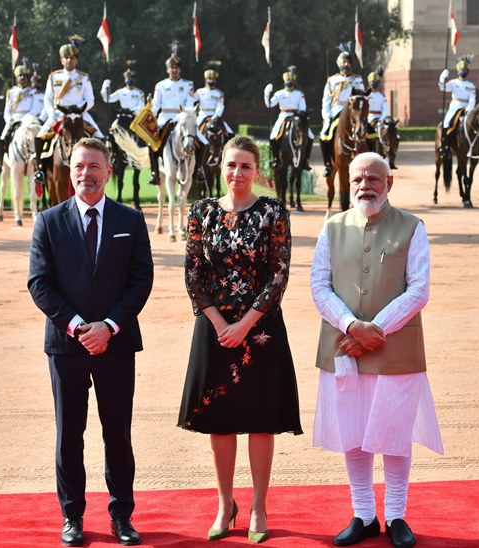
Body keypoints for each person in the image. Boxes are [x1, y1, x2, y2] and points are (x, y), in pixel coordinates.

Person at [310, 152, 443, 548]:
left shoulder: (412, 227)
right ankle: (364, 514)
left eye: (373, 178)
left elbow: (418, 289)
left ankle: (397, 515)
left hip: (396, 349)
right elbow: (319, 286)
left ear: (389, 183)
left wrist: (376, 330)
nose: (365, 185)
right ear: (348, 183)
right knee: (353, 432)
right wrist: (351, 326)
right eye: (357, 179)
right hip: (344, 345)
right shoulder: (332, 228)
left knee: (395, 433)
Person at [28, 137, 154, 547]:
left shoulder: (131, 220)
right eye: (79, 166)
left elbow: (141, 281)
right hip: (67, 346)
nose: (86, 173)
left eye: (94, 166)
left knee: (118, 433)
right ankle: (72, 516)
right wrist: (81, 327)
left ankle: (122, 516)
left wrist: (110, 327)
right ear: (71, 172)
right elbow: (39, 283)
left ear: (108, 172)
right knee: (69, 435)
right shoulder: (48, 221)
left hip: (116, 344)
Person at [178, 135, 302, 543]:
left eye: (246, 166)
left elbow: (279, 275)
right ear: (221, 168)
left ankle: (259, 507)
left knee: (261, 420)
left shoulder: (272, 212)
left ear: (257, 170)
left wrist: (245, 325)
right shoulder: (202, 211)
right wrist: (220, 324)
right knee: (221, 420)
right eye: (231, 165)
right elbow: (193, 274)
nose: (238, 173)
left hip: (260, 328)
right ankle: (224, 504)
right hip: (214, 329)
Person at [34, 35, 104, 185]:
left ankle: (103, 168)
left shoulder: (83, 78)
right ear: (61, 60)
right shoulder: (54, 77)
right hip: (59, 114)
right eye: (66, 58)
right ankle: (40, 170)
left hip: (80, 114)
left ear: (76, 60)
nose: (69, 60)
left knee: (100, 135)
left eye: (72, 58)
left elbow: (90, 99)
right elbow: (48, 99)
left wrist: (79, 109)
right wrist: (52, 114)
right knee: (40, 136)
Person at [147, 47, 200, 186]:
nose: (174, 70)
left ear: (180, 69)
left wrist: (182, 116)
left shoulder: (188, 85)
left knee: (201, 140)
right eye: (172, 68)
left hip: (183, 117)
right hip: (165, 118)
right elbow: (156, 105)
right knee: (152, 143)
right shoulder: (160, 85)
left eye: (176, 68)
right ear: (167, 70)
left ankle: (198, 171)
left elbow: (190, 103)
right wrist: (151, 114)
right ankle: (154, 173)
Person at [320, 44, 365, 176]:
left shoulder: (358, 79)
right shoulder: (332, 80)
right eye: (344, 62)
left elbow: (362, 96)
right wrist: (326, 116)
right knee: (324, 135)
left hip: (353, 110)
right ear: (339, 63)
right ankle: (328, 164)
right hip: (337, 109)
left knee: (370, 132)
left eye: (348, 62)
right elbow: (326, 100)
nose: (346, 64)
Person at [0, 63, 42, 174]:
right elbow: (7, 110)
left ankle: (40, 165)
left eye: (25, 76)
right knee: (3, 136)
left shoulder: (33, 92)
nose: (22, 78)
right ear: (16, 78)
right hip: (14, 119)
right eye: (20, 76)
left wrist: (27, 119)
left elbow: (35, 108)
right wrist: (9, 120)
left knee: (39, 135)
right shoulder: (11, 92)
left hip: (29, 119)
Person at [263, 65, 314, 170]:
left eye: (291, 81)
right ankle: (276, 159)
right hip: (284, 115)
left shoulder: (299, 94)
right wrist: (267, 93)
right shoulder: (279, 93)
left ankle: (306, 160)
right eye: (288, 81)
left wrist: (299, 114)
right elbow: (270, 104)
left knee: (311, 136)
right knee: (273, 136)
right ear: (284, 82)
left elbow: (302, 107)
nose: (289, 83)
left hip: (296, 116)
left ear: (294, 82)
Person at [438, 55, 478, 159]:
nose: (464, 72)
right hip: (455, 107)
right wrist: (442, 77)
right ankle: (445, 147)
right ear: (458, 71)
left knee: (478, 124)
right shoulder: (453, 82)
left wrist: (469, 109)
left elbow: (472, 99)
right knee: (447, 123)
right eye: (462, 70)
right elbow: (443, 88)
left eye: (466, 70)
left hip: (467, 107)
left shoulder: (471, 85)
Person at [365, 69, 390, 153]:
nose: (373, 83)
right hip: (366, 118)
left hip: (379, 118)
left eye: (375, 81)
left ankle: (384, 148)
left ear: (378, 83)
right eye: (371, 81)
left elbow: (386, 110)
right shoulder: (365, 95)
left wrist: (381, 119)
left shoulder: (382, 96)